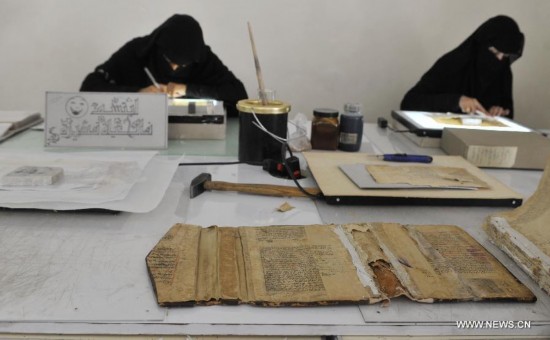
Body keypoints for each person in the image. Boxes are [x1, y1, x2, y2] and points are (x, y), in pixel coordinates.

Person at [80, 14, 247, 117]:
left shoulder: (203, 58)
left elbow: (238, 95)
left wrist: (187, 89)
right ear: (159, 46)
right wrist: (138, 93)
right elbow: (89, 88)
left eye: (183, 64)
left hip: (192, 139)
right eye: (169, 60)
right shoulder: (138, 51)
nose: (174, 68)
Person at [400, 15, 524, 119]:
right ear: (480, 44)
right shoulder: (452, 64)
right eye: (494, 52)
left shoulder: (503, 72)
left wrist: (498, 112)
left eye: (506, 55)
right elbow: (409, 102)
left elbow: (508, 114)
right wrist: (457, 101)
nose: (499, 60)